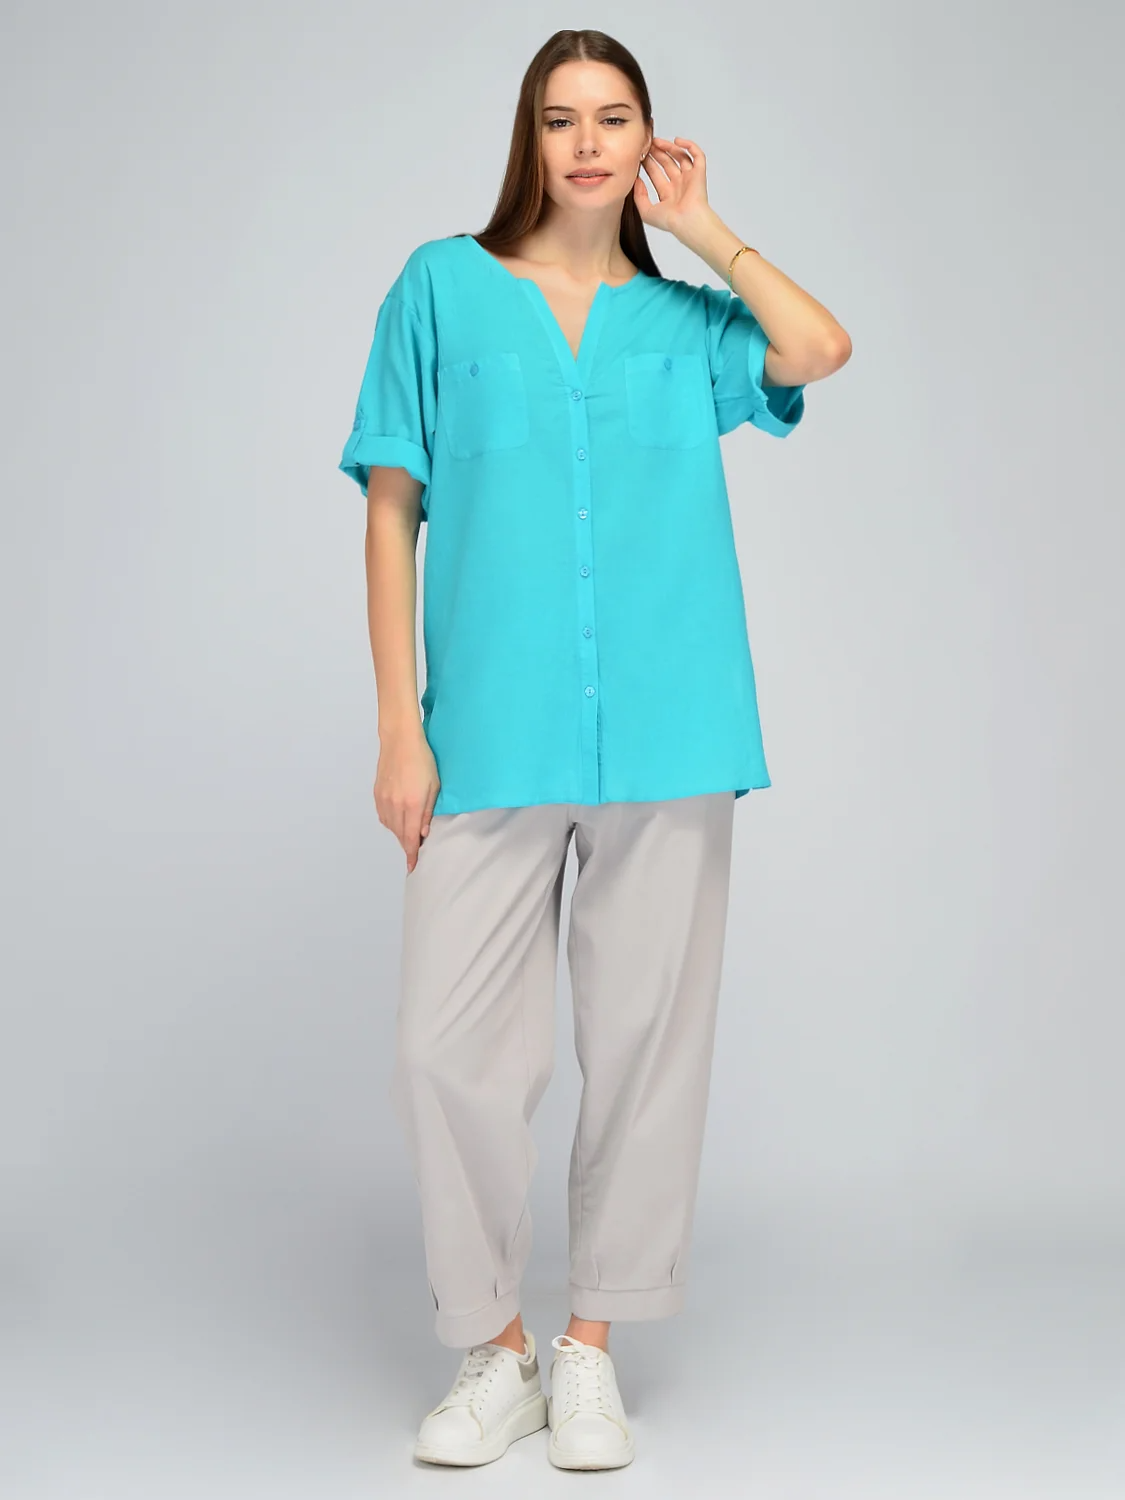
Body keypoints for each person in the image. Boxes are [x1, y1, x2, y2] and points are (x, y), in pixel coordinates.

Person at [337, 27, 850, 1473]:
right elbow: (391, 505)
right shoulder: (439, 287)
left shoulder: (685, 321)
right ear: (529, 135)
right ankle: (495, 1348)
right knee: (445, 1052)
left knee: (644, 1051)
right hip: (488, 737)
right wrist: (399, 724)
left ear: (646, 143)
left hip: (673, 731)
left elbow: (819, 349)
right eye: (561, 118)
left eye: (613, 118)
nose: (585, 142)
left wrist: (707, 230)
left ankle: (589, 1353)